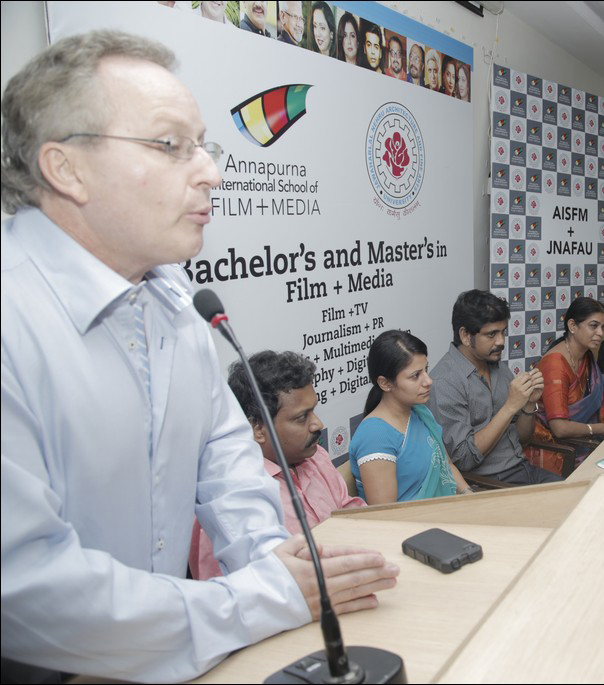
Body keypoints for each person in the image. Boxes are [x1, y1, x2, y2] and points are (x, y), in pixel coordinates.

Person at [0, 31, 397, 681]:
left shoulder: (176, 299)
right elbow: (25, 584)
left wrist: (277, 565)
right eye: (169, 146)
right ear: (65, 168)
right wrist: (258, 598)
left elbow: (226, 466)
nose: (212, 170)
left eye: (203, 145)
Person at [190, 351, 366, 579]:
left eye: (314, 410)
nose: (318, 424)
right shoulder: (227, 504)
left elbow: (349, 511)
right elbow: (227, 600)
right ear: (258, 429)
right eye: (301, 417)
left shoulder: (317, 456)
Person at [428, 290, 563, 485]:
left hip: (522, 469)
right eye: (491, 334)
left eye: (503, 332)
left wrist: (527, 406)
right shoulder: (445, 382)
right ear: (465, 335)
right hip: (488, 483)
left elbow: (523, 439)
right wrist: (509, 406)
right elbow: (464, 459)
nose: (501, 341)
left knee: (583, 498)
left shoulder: (499, 368)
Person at [350, 331, 471, 504]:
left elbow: (447, 465)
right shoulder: (374, 436)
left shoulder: (420, 412)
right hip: (413, 527)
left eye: (426, 370)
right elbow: (386, 515)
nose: (428, 380)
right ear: (385, 383)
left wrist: (469, 495)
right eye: (416, 375)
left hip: (445, 514)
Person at [525, 298, 604, 475]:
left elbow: (595, 402)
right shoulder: (556, 364)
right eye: (594, 326)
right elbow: (560, 428)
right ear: (573, 326)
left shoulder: (586, 356)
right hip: (555, 449)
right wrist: (603, 428)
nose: (600, 333)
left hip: (582, 441)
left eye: (603, 327)